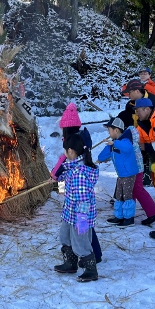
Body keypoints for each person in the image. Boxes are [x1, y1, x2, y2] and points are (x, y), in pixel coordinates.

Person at [50, 102, 103, 263]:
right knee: (82, 231)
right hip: (76, 207)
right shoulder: (80, 141)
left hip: (80, 211)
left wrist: (55, 174)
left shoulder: (74, 145)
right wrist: (58, 177)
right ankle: (90, 255)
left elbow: (63, 161)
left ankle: (91, 258)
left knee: (82, 231)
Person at [53, 133, 100, 282]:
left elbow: (84, 199)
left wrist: (81, 222)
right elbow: (66, 173)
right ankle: (71, 263)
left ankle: (91, 269)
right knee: (65, 236)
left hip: (80, 215)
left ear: (71, 151)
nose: (64, 154)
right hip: (69, 212)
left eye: (65, 151)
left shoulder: (80, 173)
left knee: (81, 242)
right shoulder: (74, 167)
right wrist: (57, 177)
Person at [97, 117, 138, 228]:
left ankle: (129, 218)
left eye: (109, 130)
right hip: (121, 174)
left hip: (129, 173)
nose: (108, 133)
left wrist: (114, 143)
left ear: (116, 130)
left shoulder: (125, 141)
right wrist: (99, 159)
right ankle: (119, 216)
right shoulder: (114, 144)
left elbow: (128, 148)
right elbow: (104, 155)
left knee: (127, 196)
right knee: (119, 195)